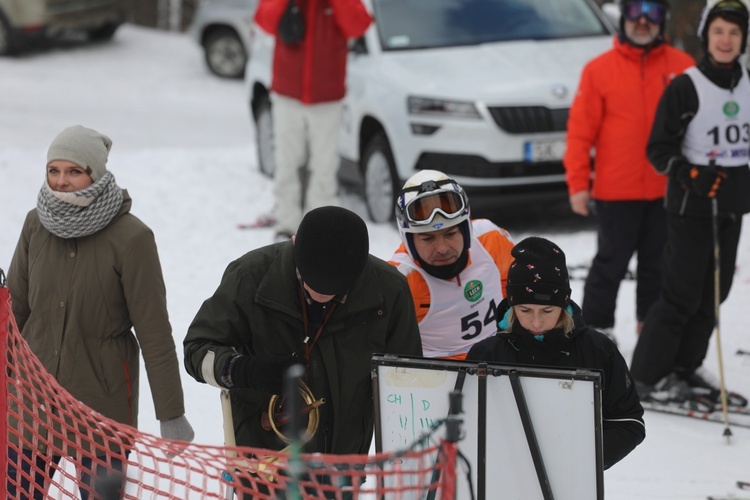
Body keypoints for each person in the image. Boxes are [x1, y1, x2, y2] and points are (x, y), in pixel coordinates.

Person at [7, 125, 194, 499]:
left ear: (95, 173)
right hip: (32, 405)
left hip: (101, 409)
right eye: (53, 170)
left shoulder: (131, 237)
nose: (61, 181)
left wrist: (170, 413)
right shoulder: (35, 224)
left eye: (74, 171)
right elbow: (14, 314)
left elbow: (154, 330)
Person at [183, 206, 422, 459]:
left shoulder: (389, 290)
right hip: (261, 460)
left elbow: (408, 384)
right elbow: (196, 349)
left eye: (335, 293)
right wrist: (244, 369)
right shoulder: (250, 277)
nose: (320, 297)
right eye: (309, 284)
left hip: (342, 462)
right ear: (295, 245)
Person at [630, 0, 750, 406]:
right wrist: (689, 173)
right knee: (681, 293)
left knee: (714, 293)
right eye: (719, 31)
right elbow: (658, 147)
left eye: (734, 32)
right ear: (706, 36)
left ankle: (686, 365)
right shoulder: (686, 86)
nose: (726, 40)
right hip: (690, 207)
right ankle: (646, 376)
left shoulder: (748, 81)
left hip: (731, 205)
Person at [563, 0, 694, 343]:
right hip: (616, 191)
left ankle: (651, 334)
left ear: (663, 18)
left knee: (658, 267)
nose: (643, 21)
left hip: (668, 189)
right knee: (610, 264)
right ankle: (595, 335)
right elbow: (580, 133)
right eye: (636, 11)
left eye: (653, 13)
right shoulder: (599, 70)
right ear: (624, 16)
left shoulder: (683, 67)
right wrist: (578, 183)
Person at [467, 237, 645, 470]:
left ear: (563, 304)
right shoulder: (486, 353)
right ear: (511, 305)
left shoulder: (599, 350)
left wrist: (583, 461)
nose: (536, 321)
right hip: (503, 476)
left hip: (573, 481)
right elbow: (467, 422)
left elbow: (628, 421)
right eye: (525, 310)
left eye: (548, 310)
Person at [253, 0, 373, 241]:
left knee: (324, 166)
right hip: (288, 94)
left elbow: (358, 26)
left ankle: (322, 226)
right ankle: (286, 225)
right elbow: (264, 20)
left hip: (327, 97)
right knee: (287, 163)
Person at [389, 170, 515, 359]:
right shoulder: (399, 280)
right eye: (427, 238)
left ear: (465, 229)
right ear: (409, 241)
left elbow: (515, 296)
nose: (442, 248)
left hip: (501, 361)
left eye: (450, 234)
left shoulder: (492, 239)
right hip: (440, 379)